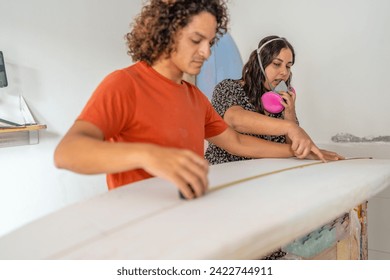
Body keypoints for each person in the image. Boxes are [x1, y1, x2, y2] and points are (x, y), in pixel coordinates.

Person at [54, 1, 328, 200]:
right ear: (165, 33)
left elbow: (238, 142)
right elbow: (67, 152)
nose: (206, 52)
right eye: (197, 40)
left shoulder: (195, 98)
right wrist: (147, 154)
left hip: (187, 220)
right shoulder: (124, 84)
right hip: (137, 228)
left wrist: (303, 152)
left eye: (210, 41)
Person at [205, 35, 343, 165]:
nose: (284, 72)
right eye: (277, 64)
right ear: (259, 64)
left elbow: (292, 147)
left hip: (265, 175)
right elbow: (234, 119)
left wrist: (290, 113)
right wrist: (291, 128)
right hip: (224, 172)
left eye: (288, 66)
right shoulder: (227, 87)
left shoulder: (279, 100)